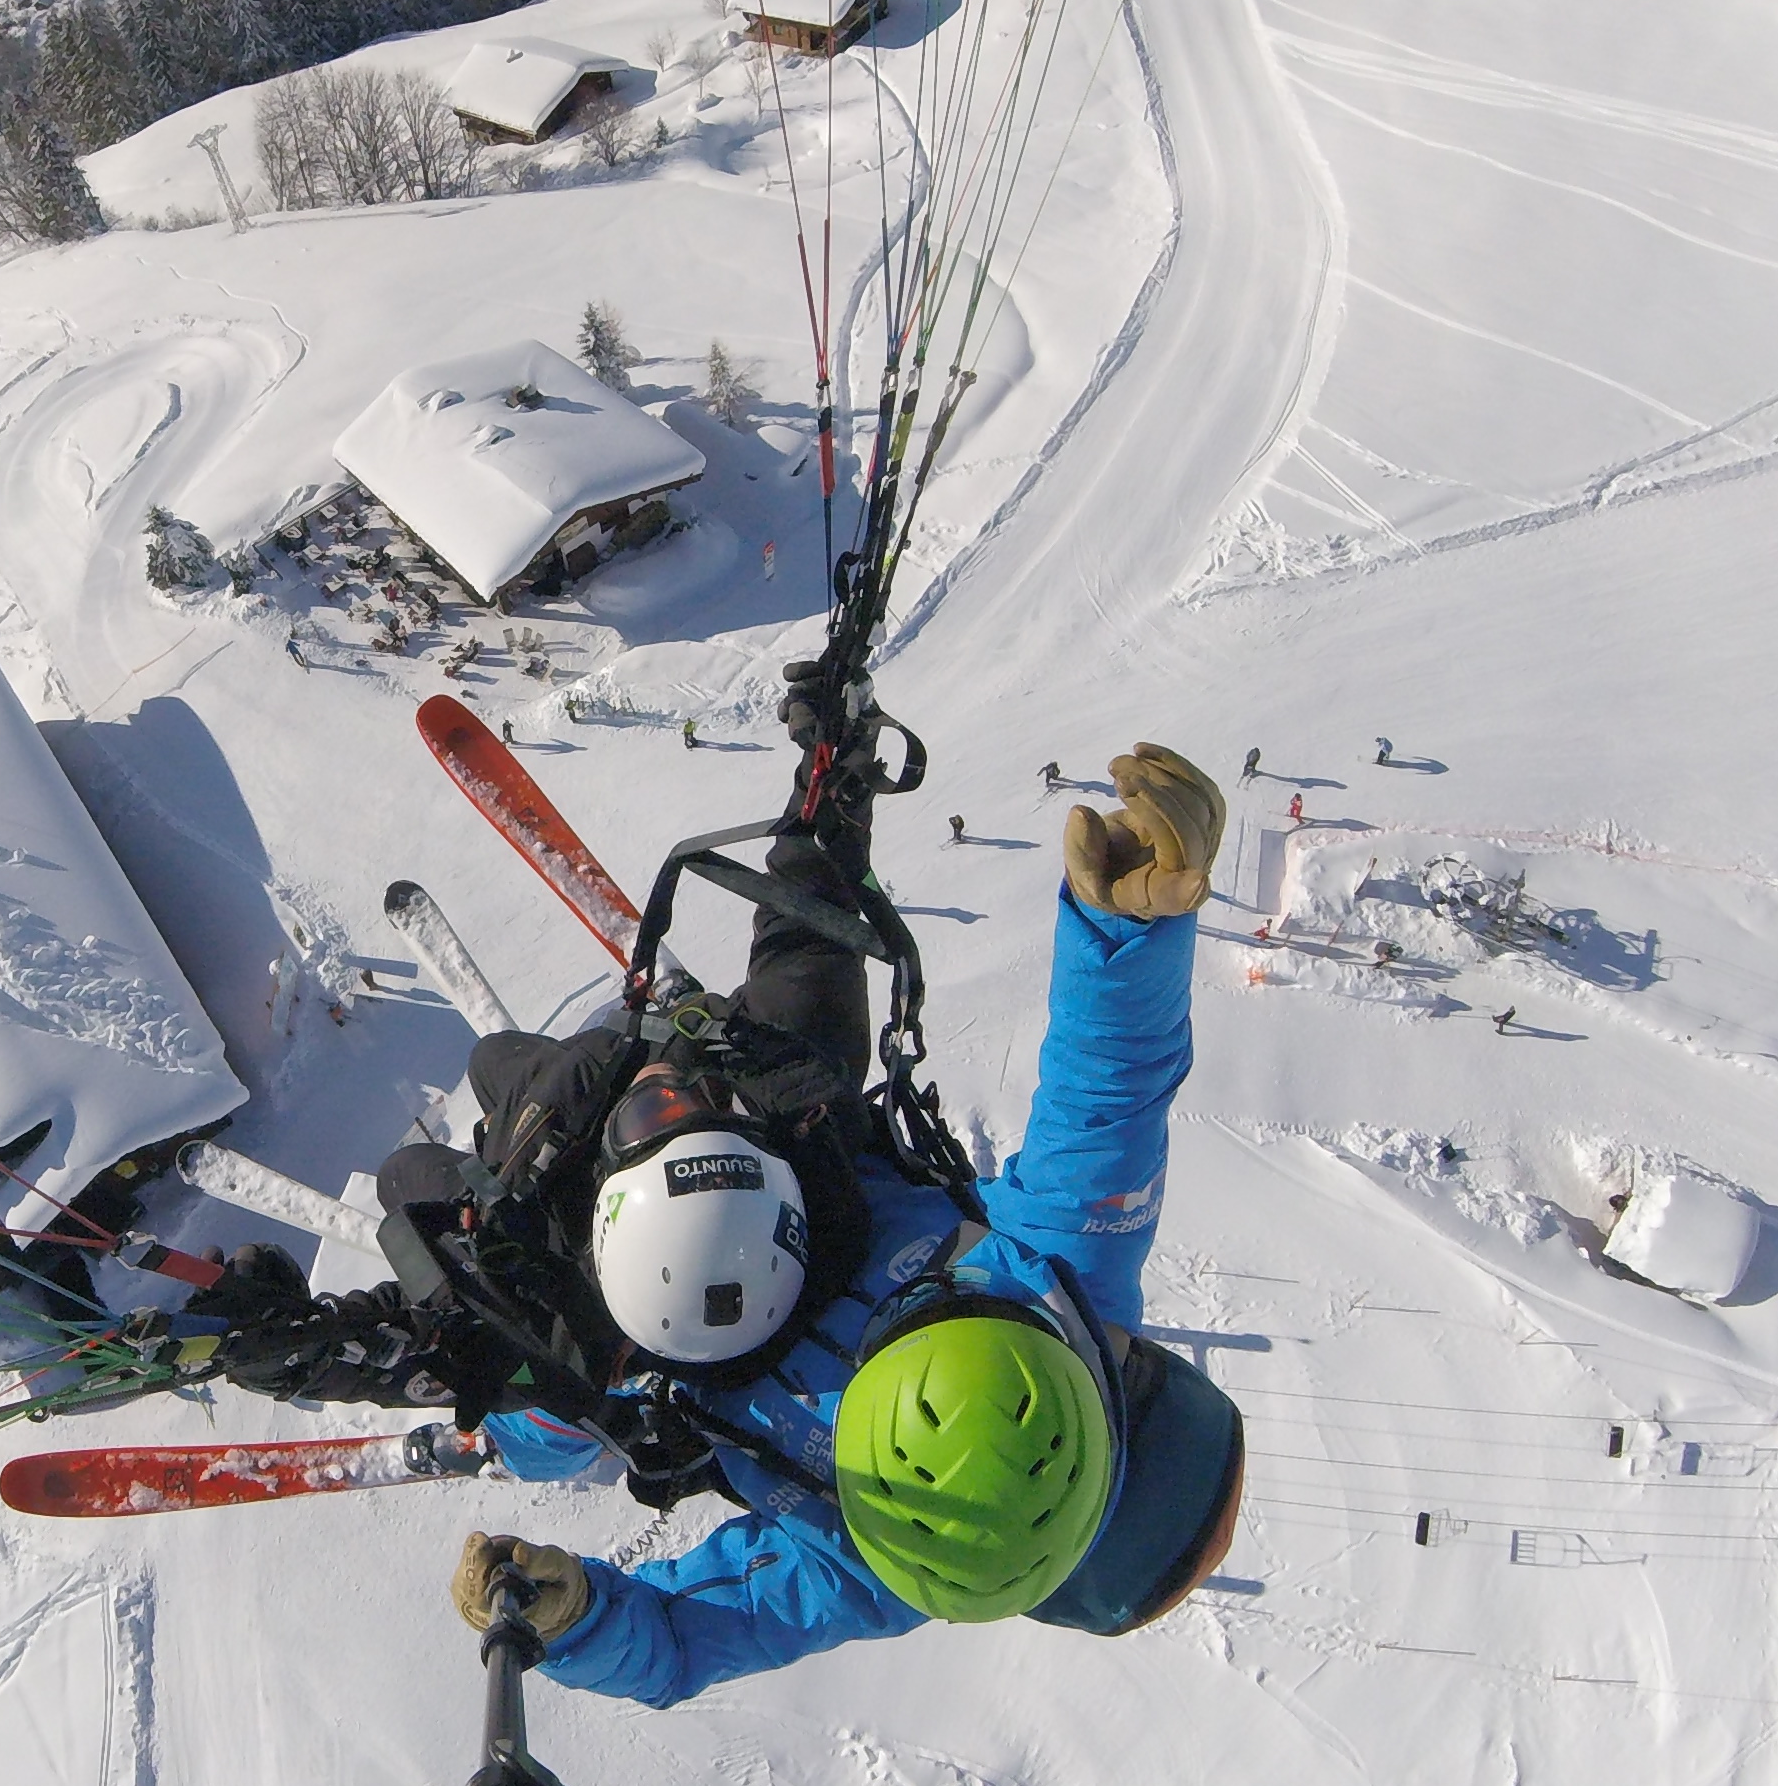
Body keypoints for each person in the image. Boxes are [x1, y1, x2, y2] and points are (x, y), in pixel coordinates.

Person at [204, 681, 1247, 1707]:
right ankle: (828, 783)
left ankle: (315, 1341)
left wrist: (576, 1621)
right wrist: (1128, 925)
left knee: (499, 1325)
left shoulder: (879, 1561)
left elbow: (683, 1638)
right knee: (803, 963)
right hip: (770, 1136)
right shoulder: (1065, 1286)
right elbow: (1109, 1093)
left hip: (635, 1326)